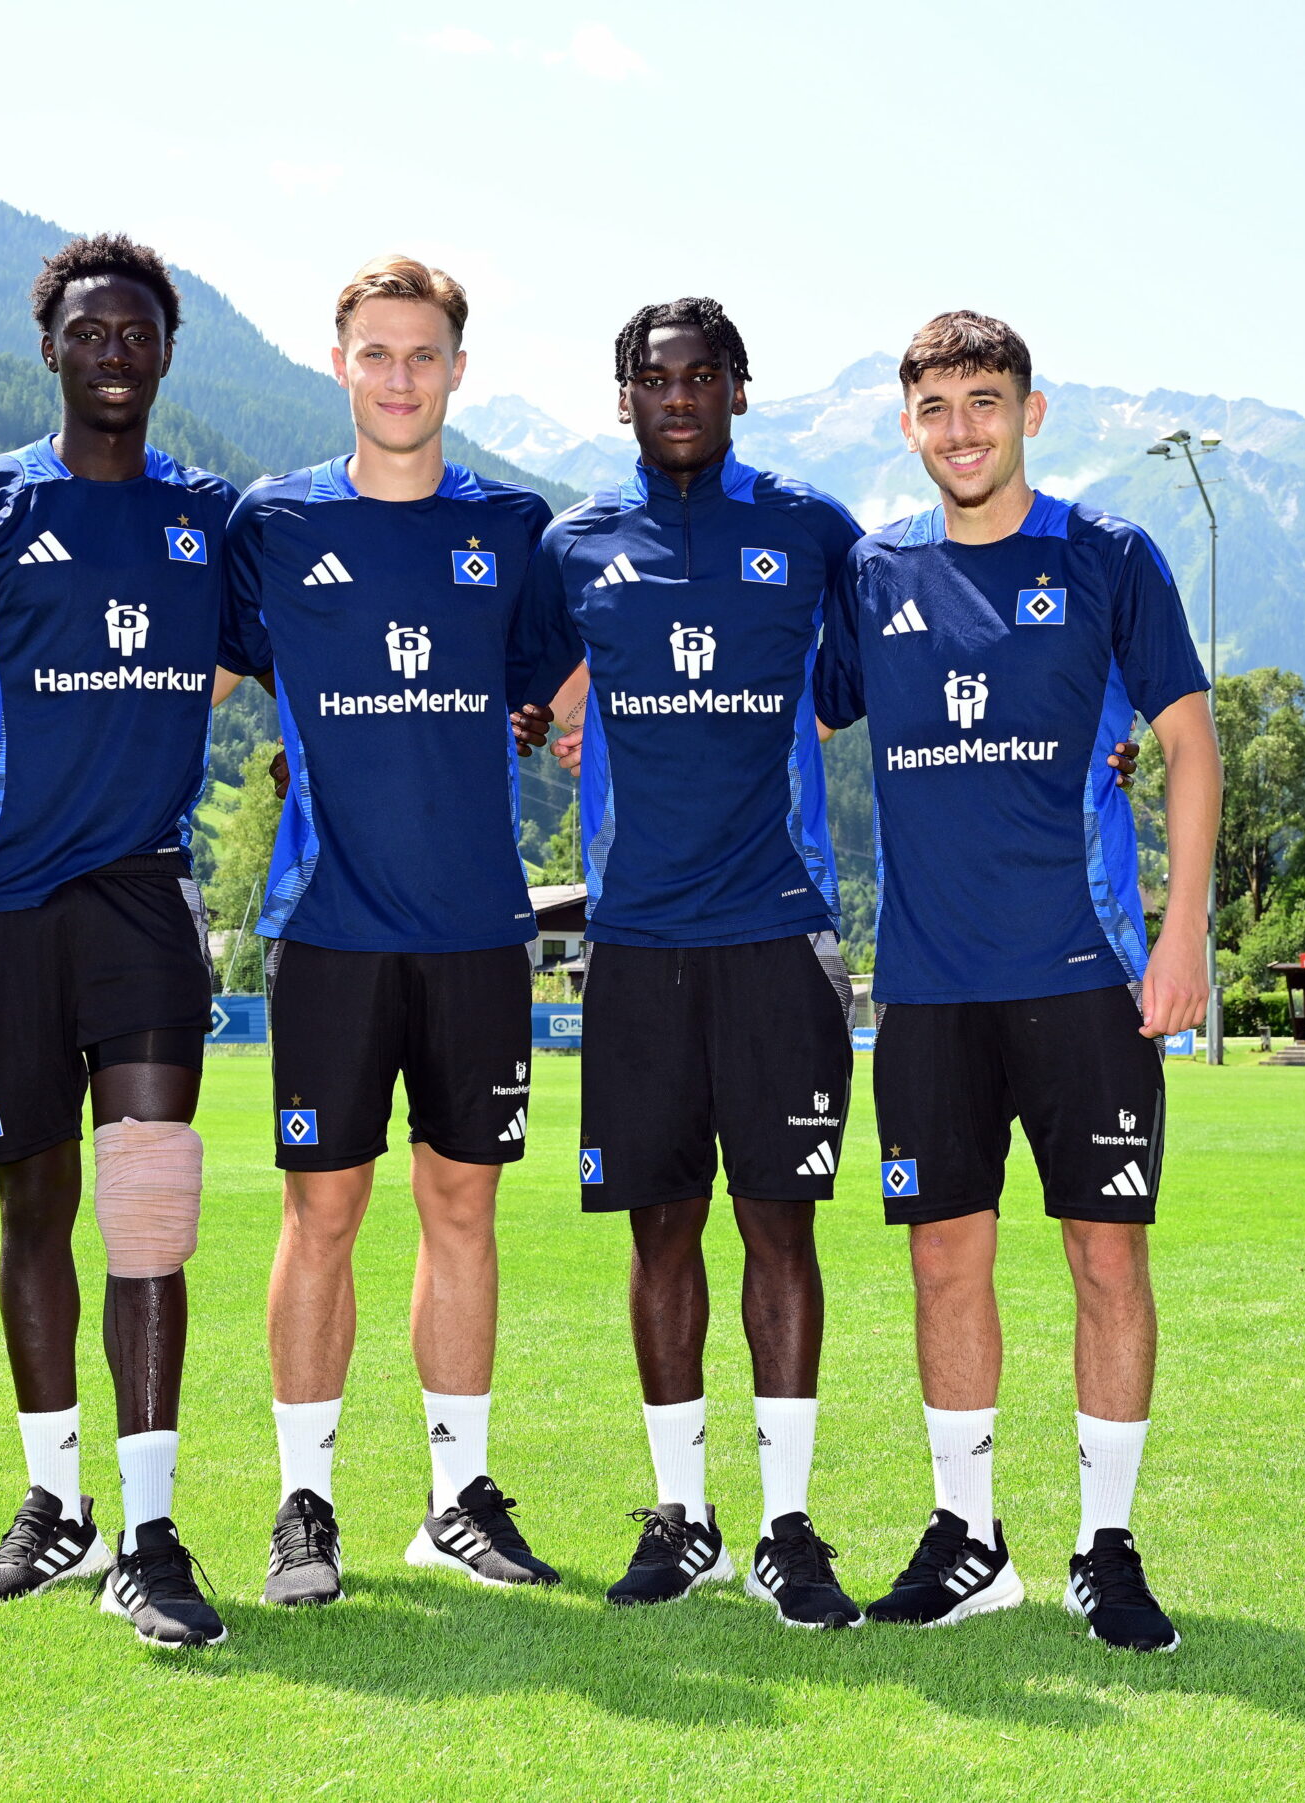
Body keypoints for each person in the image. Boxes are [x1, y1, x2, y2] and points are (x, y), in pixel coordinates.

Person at [814, 310, 1221, 1651]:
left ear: (1030, 412)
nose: (962, 429)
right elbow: (776, 705)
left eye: (984, 402)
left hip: (1087, 976)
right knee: (946, 1262)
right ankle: (968, 1536)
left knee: (1107, 1257)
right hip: (927, 990)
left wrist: (1184, 931)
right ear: (907, 427)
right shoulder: (872, 575)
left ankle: (1105, 1543)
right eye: (936, 409)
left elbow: (1191, 741)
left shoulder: (1106, 558)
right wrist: (573, 709)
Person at [0, 232, 253, 1651]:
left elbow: (344, 643)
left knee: (151, 1212)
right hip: (5, 916)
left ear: (168, 353)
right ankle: (56, 1510)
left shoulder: (215, 520)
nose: (114, 352)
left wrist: (538, 690)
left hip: (146, 904)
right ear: (50, 346)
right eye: (89, 332)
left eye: (138, 333)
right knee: (31, 1209)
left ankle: (152, 1533)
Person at [220, 256, 565, 1607]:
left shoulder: (516, 529)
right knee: (323, 1212)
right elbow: (197, 672)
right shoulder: (274, 525)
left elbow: (572, 685)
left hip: (479, 929)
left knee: (461, 1205)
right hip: (329, 930)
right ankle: (304, 1504)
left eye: (425, 355)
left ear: (459, 369)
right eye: (378, 353)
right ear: (340, 361)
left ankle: (457, 1499)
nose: (402, 377)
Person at [531, 298, 869, 1627]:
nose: (677, 396)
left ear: (739, 389)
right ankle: (685, 1517)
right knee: (658, 1231)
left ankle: (788, 1527)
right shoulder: (573, 548)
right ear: (624, 399)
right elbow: (504, 694)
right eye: (653, 378)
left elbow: (877, 673)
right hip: (634, 945)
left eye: (699, 376)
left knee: (780, 1230)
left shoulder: (810, 527)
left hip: (779, 936)